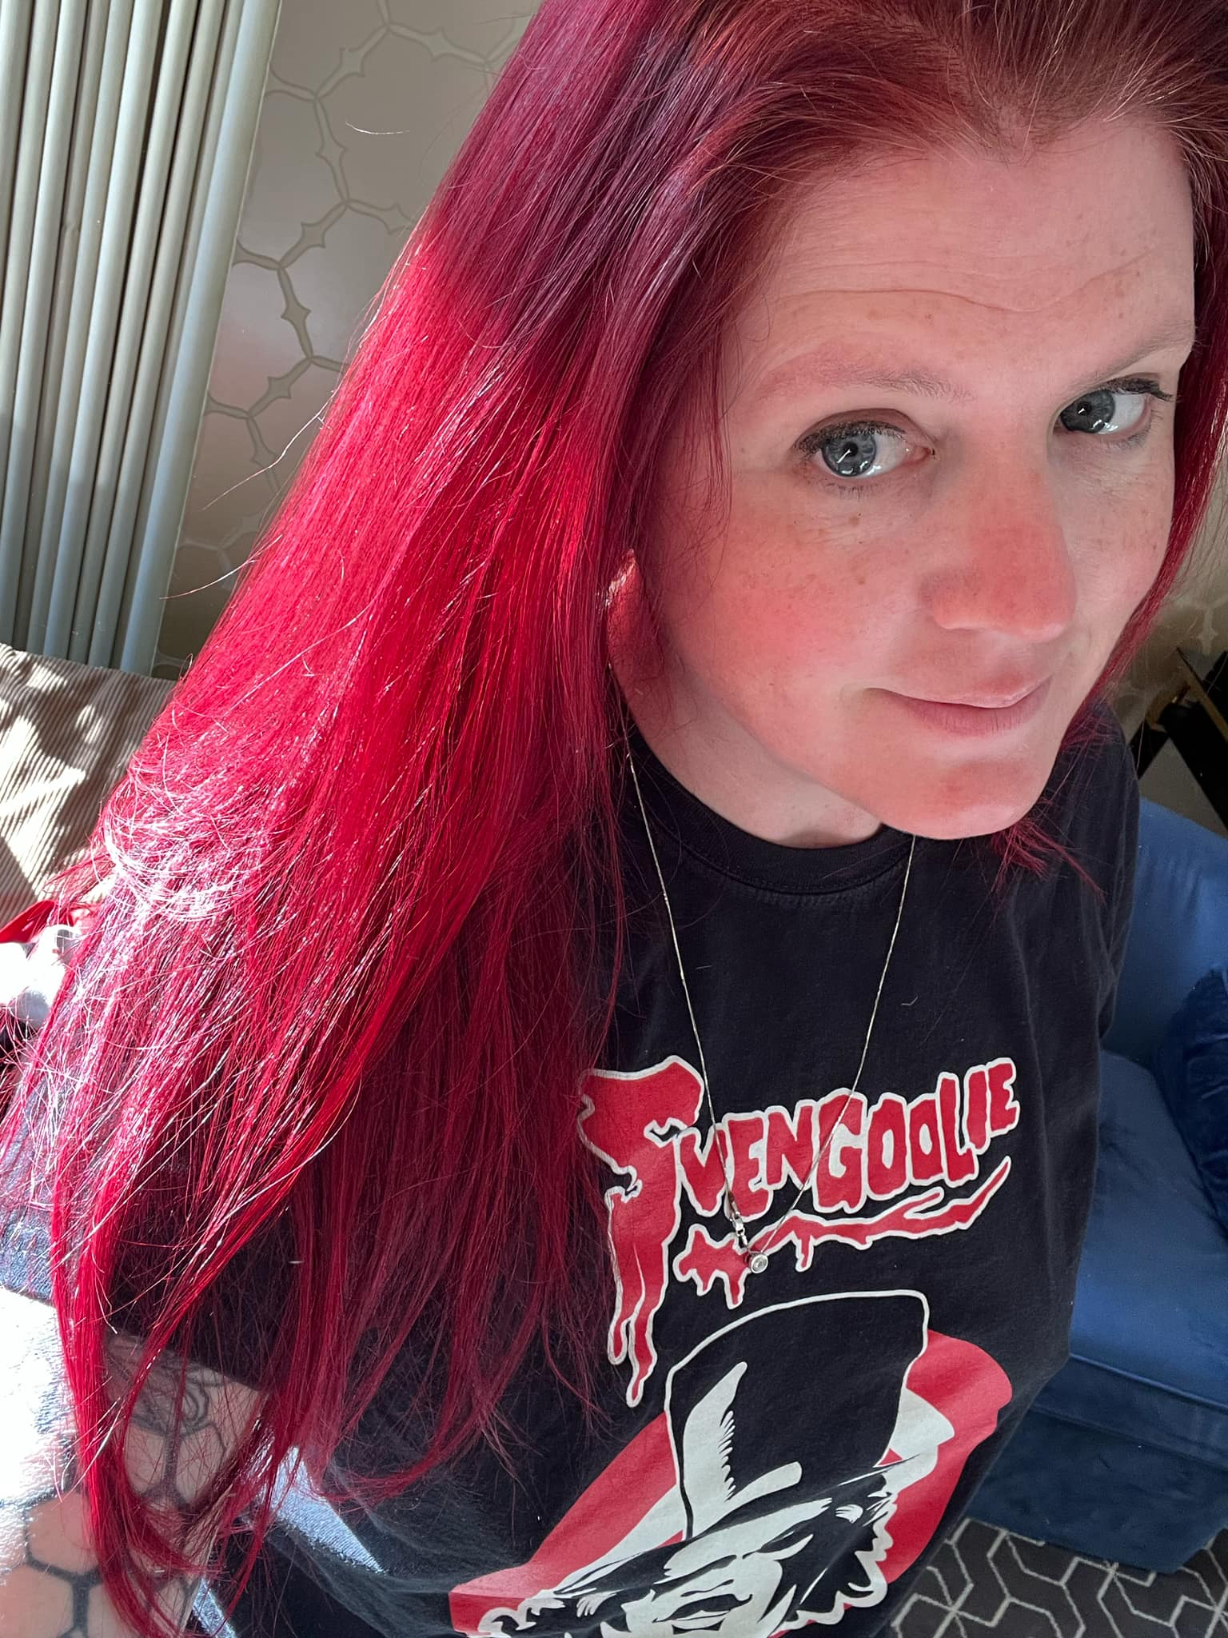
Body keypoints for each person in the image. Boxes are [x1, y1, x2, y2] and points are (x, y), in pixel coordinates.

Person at [0, 0, 1223, 1634]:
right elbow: (60, 1547)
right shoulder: (293, 944)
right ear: (605, 431)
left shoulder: (1058, 785)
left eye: (1104, 407)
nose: (1036, 602)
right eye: (858, 443)